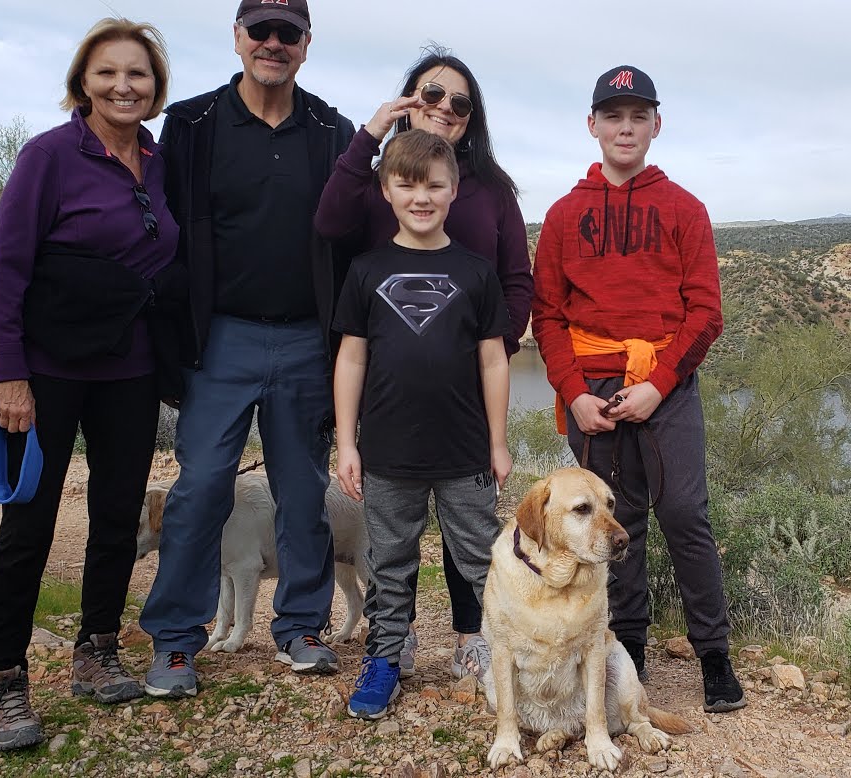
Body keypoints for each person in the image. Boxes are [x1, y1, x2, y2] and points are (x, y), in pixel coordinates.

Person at [138, 0, 357, 698]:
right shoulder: (192, 125)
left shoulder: (331, 130)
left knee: (303, 495)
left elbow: (351, 243)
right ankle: (175, 641)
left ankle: (301, 629)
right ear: (237, 38)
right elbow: (163, 234)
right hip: (219, 337)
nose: (272, 43)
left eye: (286, 33)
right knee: (201, 489)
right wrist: (170, 348)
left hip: (303, 338)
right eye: (259, 30)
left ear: (306, 45)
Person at [0, 17, 178, 751]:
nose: (124, 86)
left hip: (130, 372)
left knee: (117, 515)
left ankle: (96, 653)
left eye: (138, 74)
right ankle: (3, 683)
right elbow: (4, 270)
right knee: (26, 526)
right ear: (83, 83)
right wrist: (10, 374)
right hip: (46, 374)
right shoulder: (48, 156)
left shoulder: (159, 163)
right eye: (108, 73)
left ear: (155, 87)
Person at [529, 65, 746, 713]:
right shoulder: (565, 215)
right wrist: (574, 392)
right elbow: (549, 315)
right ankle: (626, 652)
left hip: (665, 384)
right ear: (592, 126)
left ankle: (714, 655)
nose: (626, 128)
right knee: (613, 525)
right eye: (613, 116)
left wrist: (658, 384)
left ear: (656, 124)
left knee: (685, 515)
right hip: (591, 390)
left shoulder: (684, 209)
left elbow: (705, 313)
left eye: (638, 116)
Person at [314, 45, 531, 682]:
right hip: (391, 418)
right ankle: (390, 648)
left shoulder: (491, 190)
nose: (444, 109)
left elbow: (513, 282)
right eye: (431, 95)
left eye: (459, 102)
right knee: (391, 546)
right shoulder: (374, 198)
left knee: (475, 543)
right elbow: (329, 224)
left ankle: (481, 644)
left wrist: (491, 343)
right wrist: (375, 130)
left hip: (465, 412)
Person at [330, 129, 511, 720]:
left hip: (465, 452)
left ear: (454, 189)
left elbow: (492, 360)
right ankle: (384, 657)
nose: (421, 196)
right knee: (388, 560)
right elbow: (352, 357)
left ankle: (501, 655)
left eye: (434, 184)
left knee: (482, 557)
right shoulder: (365, 270)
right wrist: (346, 441)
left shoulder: (477, 272)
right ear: (386, 190)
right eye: (407, 184)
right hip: (387, 452)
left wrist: (499, 442)